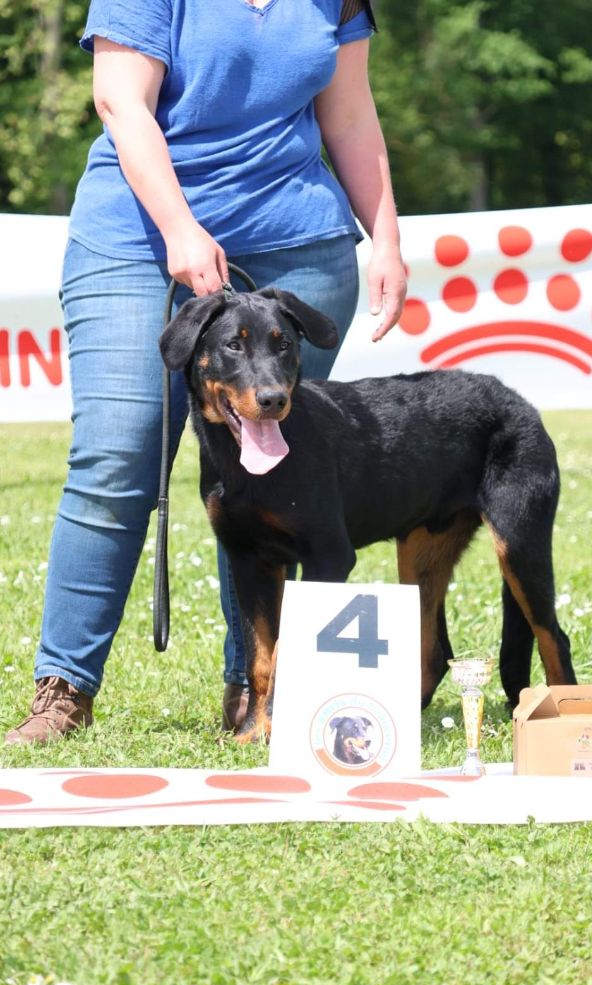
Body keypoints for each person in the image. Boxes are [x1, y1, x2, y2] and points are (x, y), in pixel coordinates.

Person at [5, 0, 406, 745]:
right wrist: (180, 227)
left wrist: (384, 236)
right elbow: (121, 100)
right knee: (119, 453)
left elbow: (349, 114)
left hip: (301, 247)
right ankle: (63, 690)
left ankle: (253, 694)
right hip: (140, 237)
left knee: (272, 469)